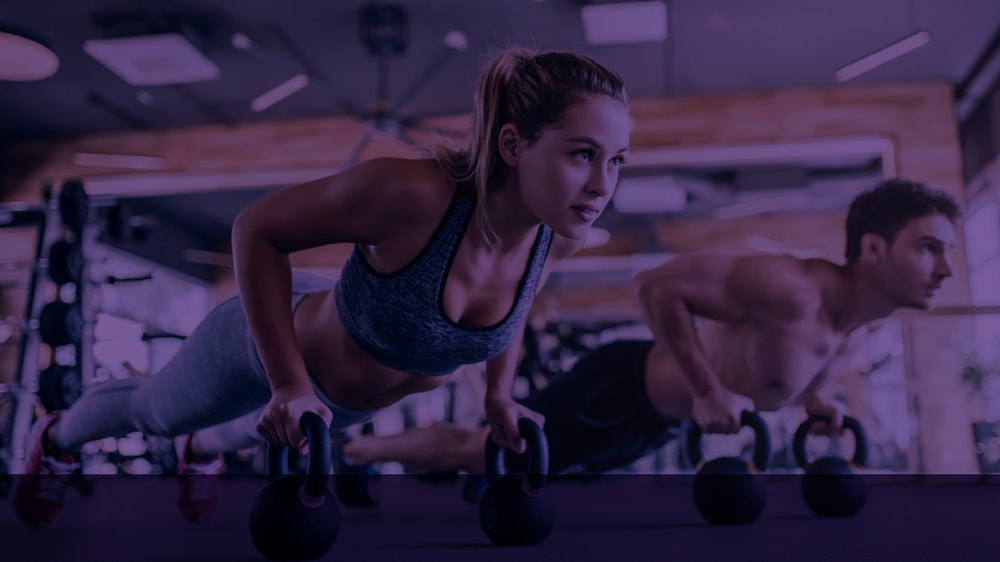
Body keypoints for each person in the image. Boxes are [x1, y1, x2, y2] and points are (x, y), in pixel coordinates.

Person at [12, 45, 632, 526]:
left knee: (247, 429)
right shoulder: (412, 195)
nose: (603, 184)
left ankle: (205, 450)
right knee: (155, 414)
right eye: (583, 154)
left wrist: (498, 396)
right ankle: (58, 437)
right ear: (513, 144)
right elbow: (256, 229)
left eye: (616, 160)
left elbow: (513, 312)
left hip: (339, 404)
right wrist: (287, 382)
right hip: (271, 341)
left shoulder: (557, 235)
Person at [334, 178, 961, 477]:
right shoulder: (792, 287)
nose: (947, 268)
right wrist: (707, 388)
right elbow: (654, 286)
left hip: (652, 423)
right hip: (620, 390)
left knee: (513, 468)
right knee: (482, 451)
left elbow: (788, 371)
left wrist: (818, 402)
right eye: (929, 248)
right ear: (874, 250)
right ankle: (358, 451)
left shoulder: (854, 325)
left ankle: (375, 456)